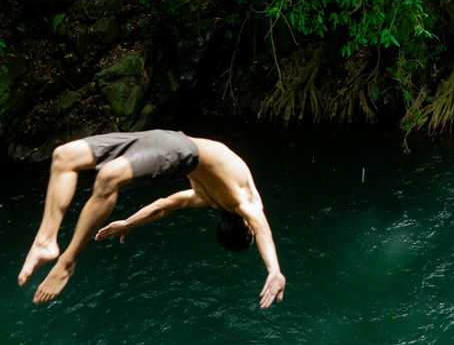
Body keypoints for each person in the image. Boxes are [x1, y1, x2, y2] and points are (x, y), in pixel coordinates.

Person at [18, 129, 286, 308]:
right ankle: (60, 255)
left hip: (169, 139)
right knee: (74, 161)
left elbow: (164, 206)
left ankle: (50, 245)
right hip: (177, 146)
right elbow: (263, 228)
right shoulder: (245, 201)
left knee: (68, 158)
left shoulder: (210, 198)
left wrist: (129, 223)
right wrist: (273, 270)